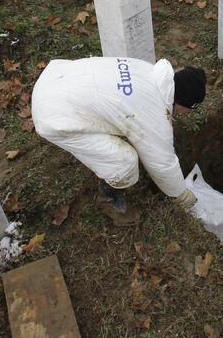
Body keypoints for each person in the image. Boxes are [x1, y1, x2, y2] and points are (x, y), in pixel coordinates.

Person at [31, 56, 205, 225]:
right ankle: (110, 199)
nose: (186, 114)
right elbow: (162, 164)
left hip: (56, 77)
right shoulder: (153, 114)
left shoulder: (147, 70)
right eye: (188, 110)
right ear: (181, 102)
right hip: (53, 115)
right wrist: (181, 195)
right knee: (124, 162)